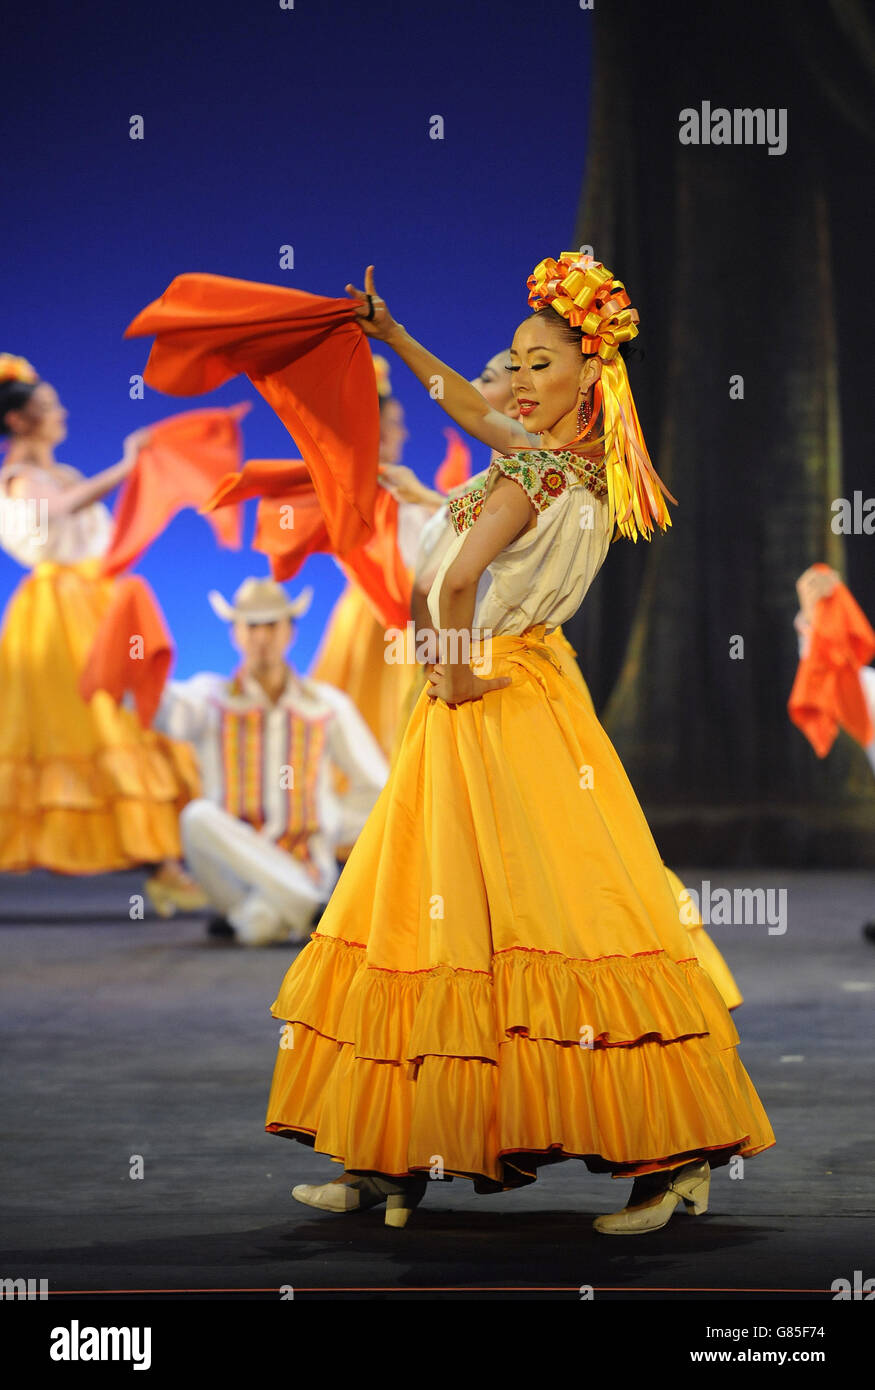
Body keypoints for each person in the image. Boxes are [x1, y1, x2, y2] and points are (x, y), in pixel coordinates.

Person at [265, 252, 774, 1234]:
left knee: (548, 913)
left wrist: (449, 666)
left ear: (593, 374)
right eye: (516, 362)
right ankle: (391, 1158)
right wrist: (394, 332)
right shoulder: (557, 459)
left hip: (494, 695)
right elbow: (465, 406)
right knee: (436, 916)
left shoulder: (541, 468)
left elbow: (456, 583)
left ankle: (662, 1160)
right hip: (511, 689)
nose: (521, 380)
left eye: (542, 363)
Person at [0, 353, 204, 909]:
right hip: (59, 617)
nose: (61, 412)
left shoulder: (58, 474)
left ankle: (164, 864)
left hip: (97, 605)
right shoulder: (21, 482)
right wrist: (126, 465)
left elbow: (87, 520)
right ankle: (163, 865)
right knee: (93, 729)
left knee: (131, 722)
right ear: (18, 421)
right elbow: (60, 512)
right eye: (48, 406)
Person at [152, 577, 389, 946]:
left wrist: (329, 822)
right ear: (236, 634)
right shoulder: (211, 699)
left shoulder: (325, 705)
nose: (261, 637)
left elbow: (378, 788)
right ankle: (311, 909)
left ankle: (271, 913)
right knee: (197, 818)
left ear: (290, 632)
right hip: (231, 873)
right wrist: (137, 664)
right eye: (251, 626)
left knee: (259, 927)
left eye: (271, 625)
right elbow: (166, 709)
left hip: (305, 864)